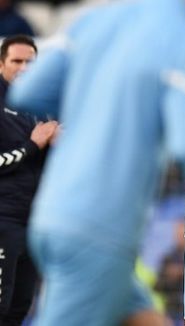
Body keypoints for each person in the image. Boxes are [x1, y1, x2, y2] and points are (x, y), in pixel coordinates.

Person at [7, 1, 185, 325]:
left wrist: (97, 101)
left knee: (147, 319)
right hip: (99, 232)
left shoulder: (99, 18)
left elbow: (28, 91)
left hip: (53, 216)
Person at [0, 34, 58, 326]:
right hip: (3, 219)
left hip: (32, 220)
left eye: (30, 62)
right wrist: (32, 146)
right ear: (1, 64)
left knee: (20, 306)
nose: (24, 68)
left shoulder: (40, 105)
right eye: (17, 61)